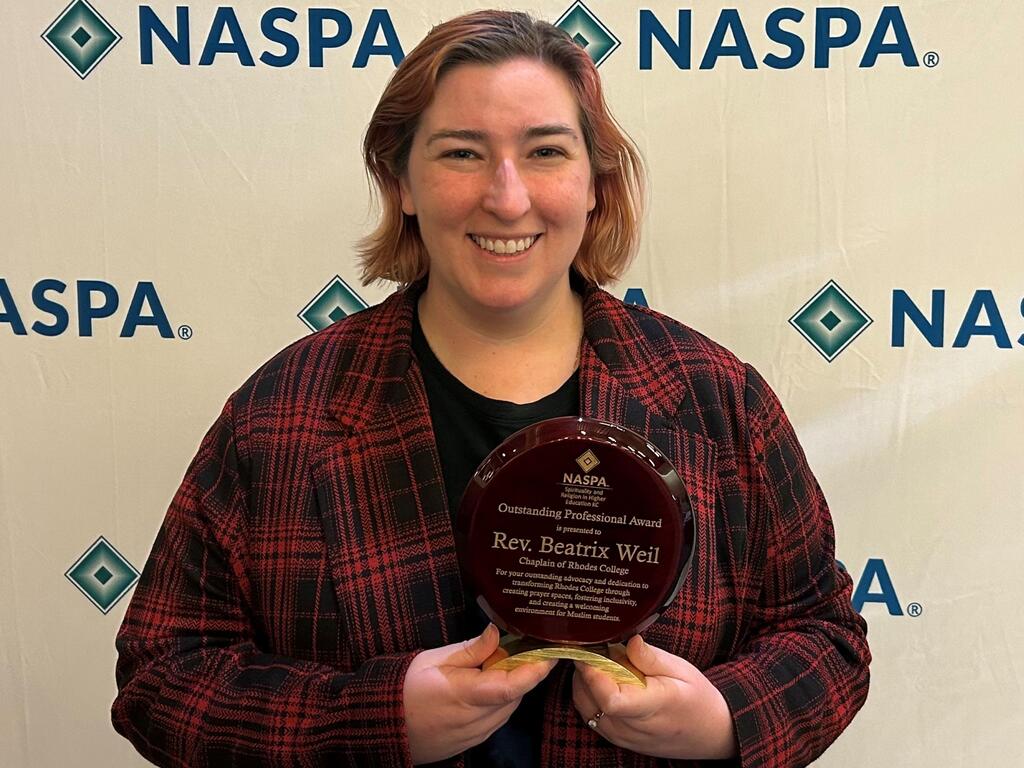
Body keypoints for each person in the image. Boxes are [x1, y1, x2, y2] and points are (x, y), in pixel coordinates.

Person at [111, 10, 870, 768]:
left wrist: (723, 718)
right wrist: (373, 720)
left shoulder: (715, 400)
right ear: (399, 182)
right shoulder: (283, 414)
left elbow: (827, 636)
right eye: (462, 154)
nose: (507, 199)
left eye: (545, 152)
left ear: (594, 184)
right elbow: (160, 679)